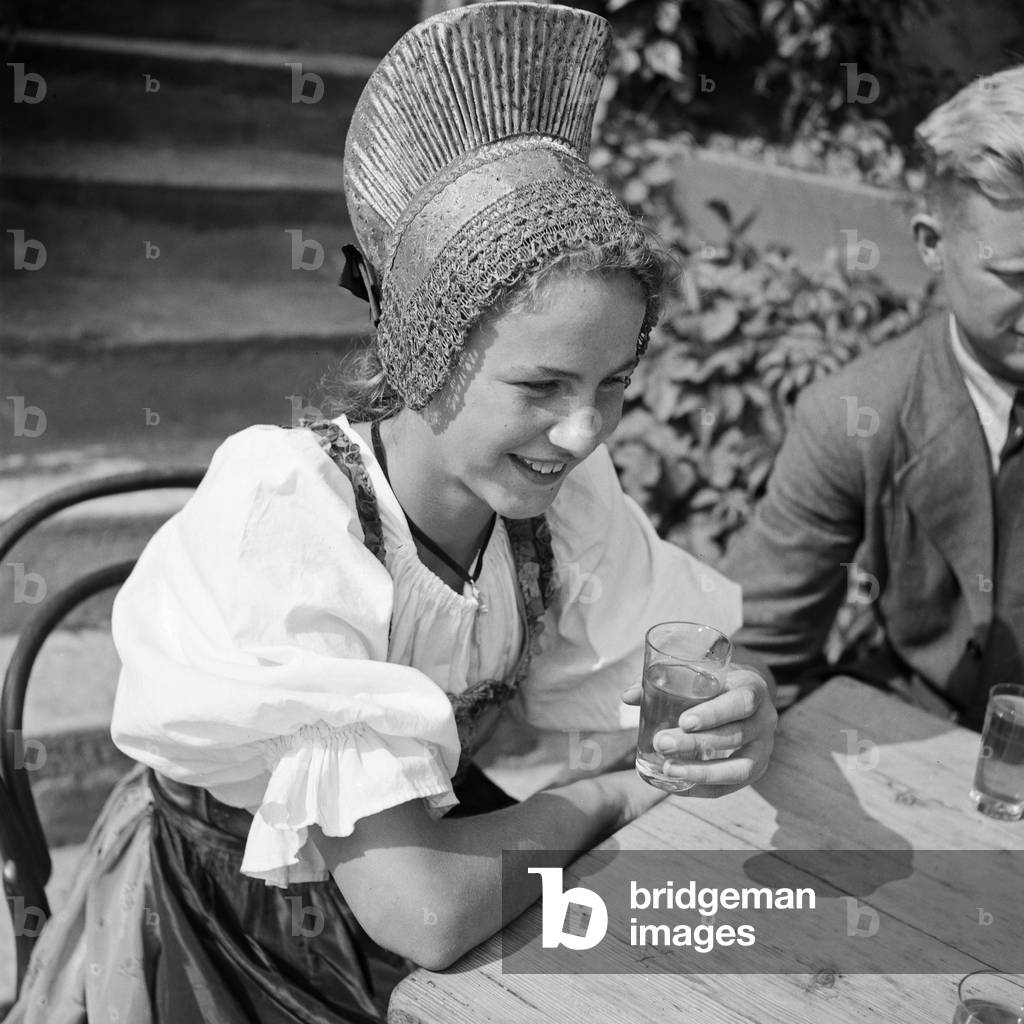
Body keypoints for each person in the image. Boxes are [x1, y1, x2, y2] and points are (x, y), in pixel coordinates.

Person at [6, 5, 776, 1022]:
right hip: (228, 941)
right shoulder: (289, 521)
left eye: (614, 382)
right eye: (542, 384)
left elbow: (681, 658)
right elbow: (421, 907)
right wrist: (622, 790)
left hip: (430, 878)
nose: (585, 431)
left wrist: (737, 705)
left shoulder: (561, 506)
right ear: (423, 354)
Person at [721, 66, 1024, 729]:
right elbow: (757, 642)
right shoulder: (855, 417)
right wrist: (736, 700)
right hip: (914, 745)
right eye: (1014, 275)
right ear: (932, 246)